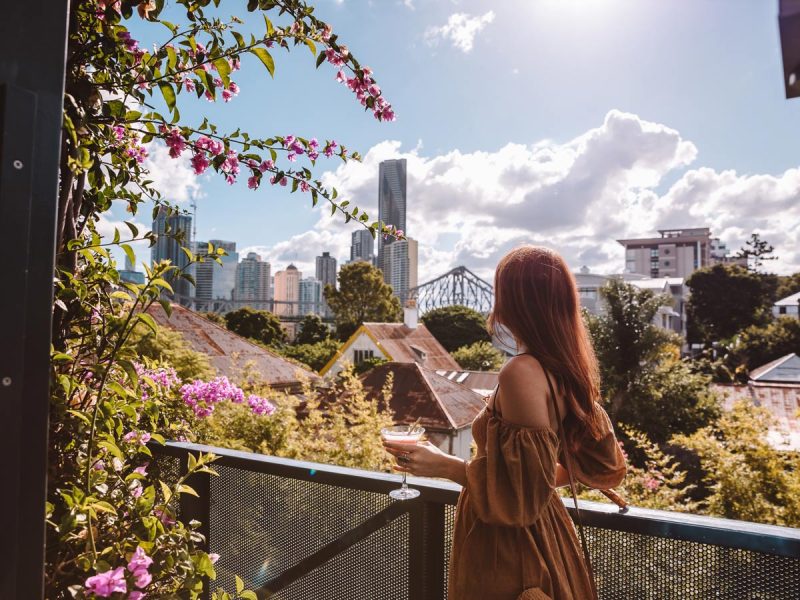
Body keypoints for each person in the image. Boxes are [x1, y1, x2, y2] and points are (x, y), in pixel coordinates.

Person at [383, 245, 627, 600]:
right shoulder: (564, 370)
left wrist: (446, 466)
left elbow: (517, 498)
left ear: (514, 303)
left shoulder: (521, 372)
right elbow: (606, 466)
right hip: (549, 541)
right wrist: (538, 482)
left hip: (510, 554)